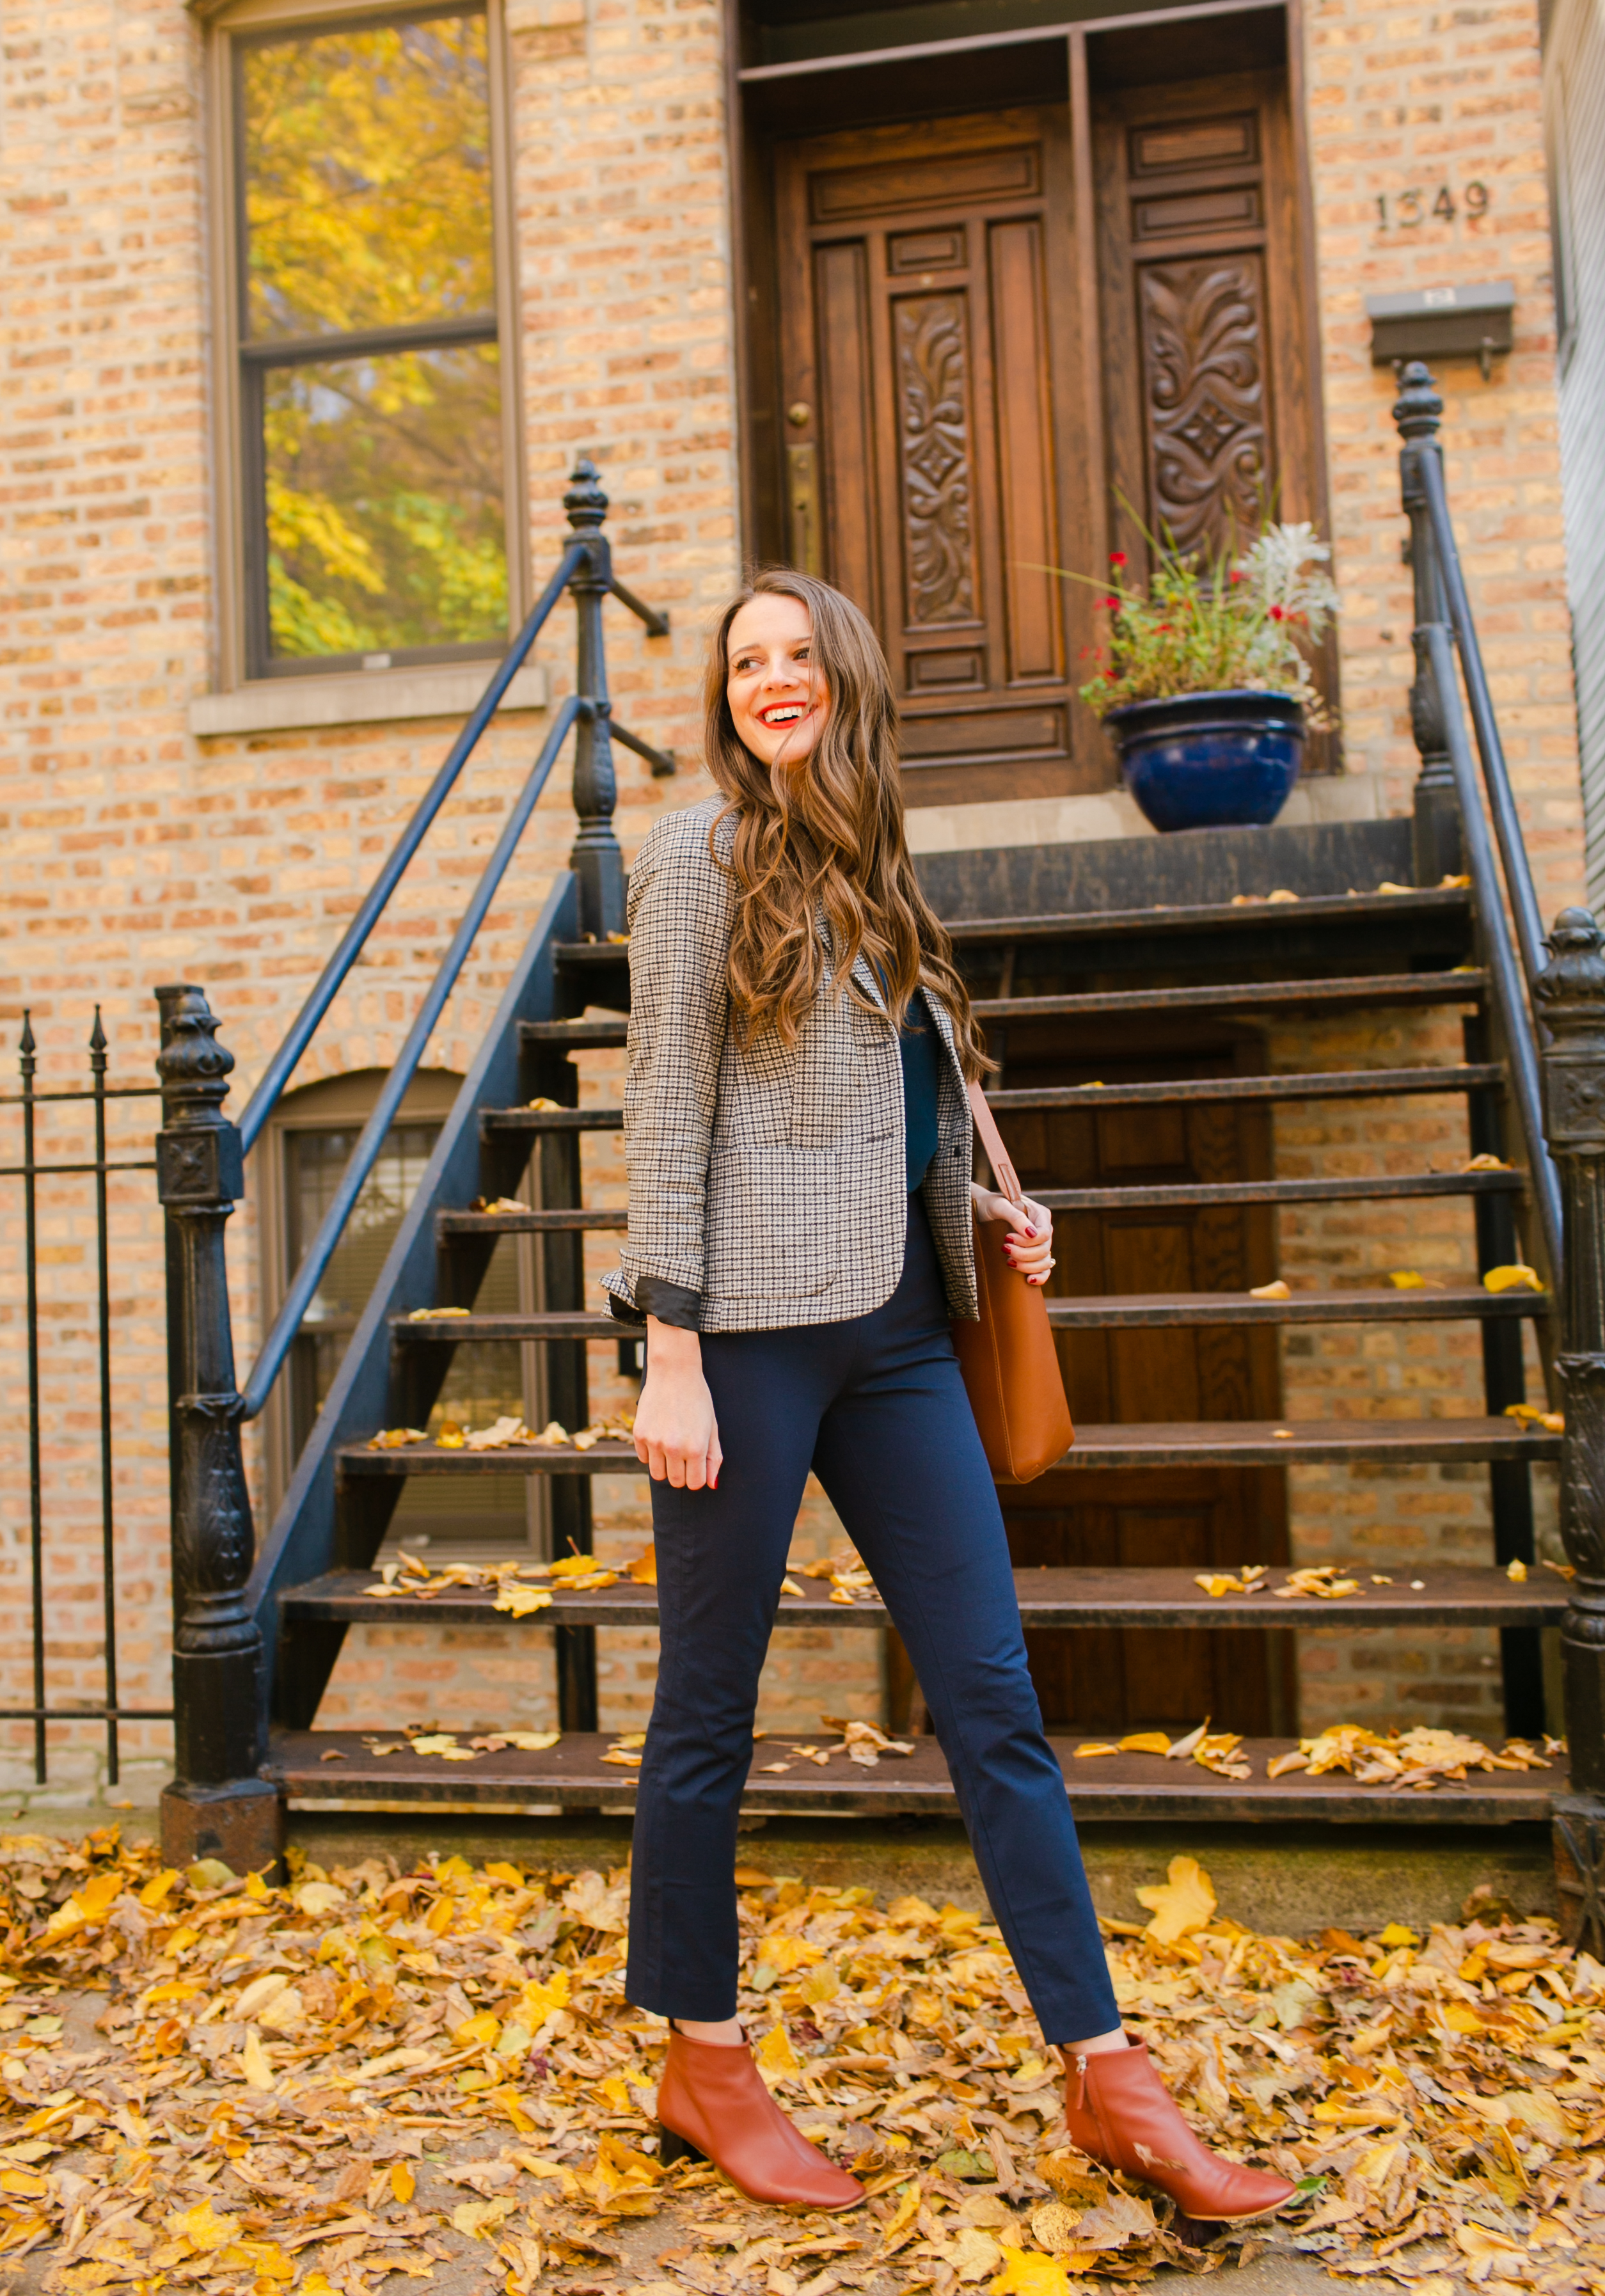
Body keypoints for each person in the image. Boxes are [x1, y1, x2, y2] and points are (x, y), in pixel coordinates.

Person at [605, 570, 1293, 2224]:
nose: (772, 680)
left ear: (847, 678)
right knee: (711, 1709)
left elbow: (883, 1115)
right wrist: (674, 1354)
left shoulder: (879, 867)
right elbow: (663, 1116)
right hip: (747, 1345)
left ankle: (1107, 2069)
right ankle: (703, 2056)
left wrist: (987, 1214)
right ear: (727, 699)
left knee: (994, 1700)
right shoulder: (692, 871)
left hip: (904, 1337)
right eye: (744, 662)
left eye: (796, 656)